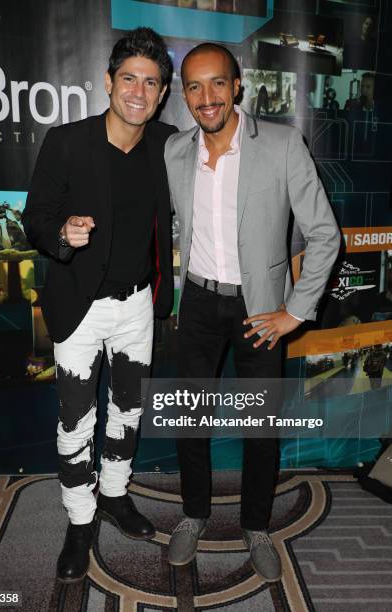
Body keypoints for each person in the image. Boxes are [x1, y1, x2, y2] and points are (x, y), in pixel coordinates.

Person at [165, 43, 340, 581]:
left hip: (259, 309)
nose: (206, 97)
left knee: (260, 427)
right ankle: (194, 514)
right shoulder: (174, 152)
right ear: (184, 96)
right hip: (195, 301)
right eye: (194, 86)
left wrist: (295, 311)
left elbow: (325, 234)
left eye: (217, 83)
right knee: (190, 418)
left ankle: (257, 525)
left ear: (237, 85)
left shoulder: (284, 145)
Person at [22, 27, 176, 583]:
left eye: (151, 82)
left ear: (162, 94)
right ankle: (80, 518)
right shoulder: (66, 141)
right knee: (77, 418)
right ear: (108, 82)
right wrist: (61, 231)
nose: (139, 91)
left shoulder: (168, 144)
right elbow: (35, 218)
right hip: (78, 306)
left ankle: (113, 494)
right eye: (129, 78)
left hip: (137, 305)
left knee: (129, 410)